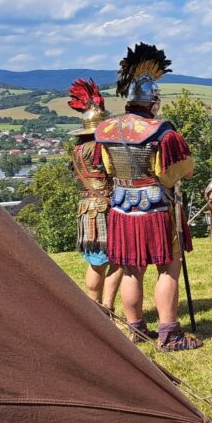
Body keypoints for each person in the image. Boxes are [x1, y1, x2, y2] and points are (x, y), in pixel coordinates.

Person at [94, 43, 199, 351]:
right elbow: (178, 171)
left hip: (122, 208)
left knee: (130, 268)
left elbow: (109, 168)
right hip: (156, 207)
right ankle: (169, 334)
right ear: (153, 100)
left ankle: (136, 331)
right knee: (168, 267)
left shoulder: (107, 129)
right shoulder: (162, 131)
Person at [66, 78, 123, 312]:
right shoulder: (100, 147)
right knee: (120, 261)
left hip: (85, 209)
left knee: (95, 261)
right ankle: (106, 309)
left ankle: (95, 307)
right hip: (105, 206)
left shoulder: (78, 149)